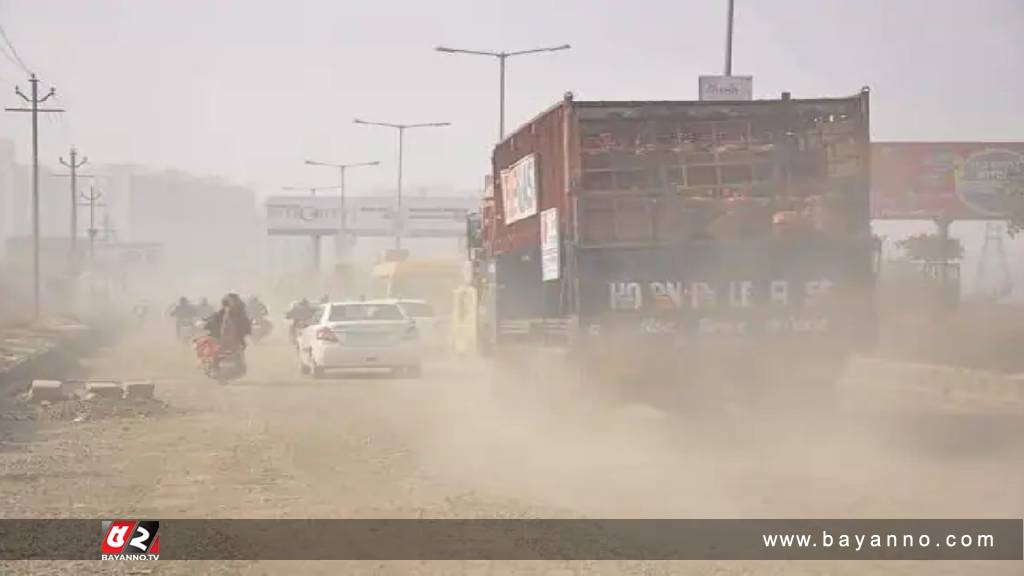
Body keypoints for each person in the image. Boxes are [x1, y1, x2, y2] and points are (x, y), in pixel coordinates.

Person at [203, 293, 252, 372]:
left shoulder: (238, 314)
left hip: (231, 339)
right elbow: (211, 322)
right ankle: (214, 367)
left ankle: (215, 367)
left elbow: (245, 327)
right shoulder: (222, 314)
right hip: (226, 339)